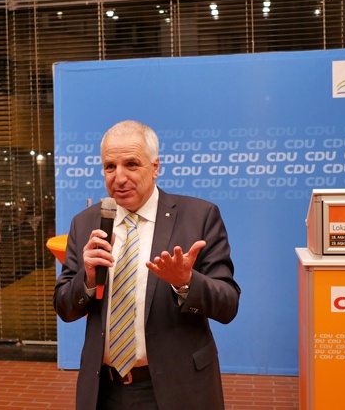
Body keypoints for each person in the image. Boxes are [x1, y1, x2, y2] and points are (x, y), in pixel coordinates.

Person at [53, 120, 241, 409]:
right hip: (104, 391)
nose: (119, 177)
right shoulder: (86, 222)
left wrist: (186, 282)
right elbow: (65, 308)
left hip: (178, 389)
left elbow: (228, 305)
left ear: (155, 167)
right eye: (110, 167)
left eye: (131, 164)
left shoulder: (199, 216)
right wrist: (87, 279)